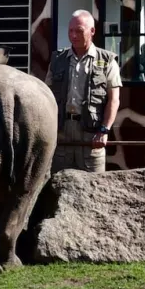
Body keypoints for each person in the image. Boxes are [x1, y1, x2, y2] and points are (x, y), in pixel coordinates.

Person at [47, 9, 122, 173]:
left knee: (94, 188)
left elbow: (114, 99)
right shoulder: (57, 60)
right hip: (61, 134)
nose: (73, 36)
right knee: (57, 186)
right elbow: (46, 96)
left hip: (91, 136)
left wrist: (104, 130)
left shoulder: (107, 61)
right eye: (71, 31)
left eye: (79, 31)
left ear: (92, 31)